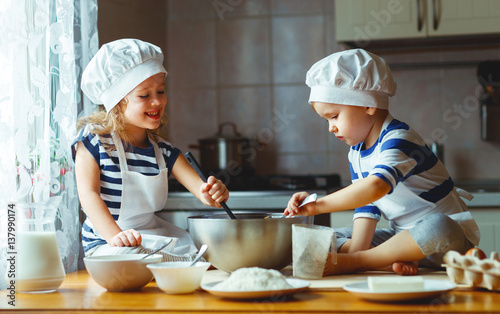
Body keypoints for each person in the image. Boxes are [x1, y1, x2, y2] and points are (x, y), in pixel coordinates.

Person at [284, 49, 480, 276]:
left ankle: (364, 260)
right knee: (324, 237)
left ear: (368, 105)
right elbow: (367, 205)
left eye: (334, 116)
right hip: (400, 240)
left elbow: (375, 188)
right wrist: (356, 248)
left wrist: (318, 205)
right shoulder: (356, 153)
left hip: (446, 243)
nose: (331, 127)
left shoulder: (399, 139)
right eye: (326, 120)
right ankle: (387, 259)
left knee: (440, 226)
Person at [72, 39, 229, 261]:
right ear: (117, 102)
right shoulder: (94, 141)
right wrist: (115, 236)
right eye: (144, 95)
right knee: (135, 261)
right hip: (107, 242)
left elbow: (202, 191)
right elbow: (88, 194)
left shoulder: (163, 151)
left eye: (161, 91)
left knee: (204, 255)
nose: (157, 101)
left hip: (153, 237)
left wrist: (214, 193)